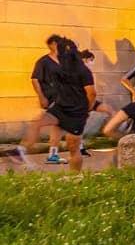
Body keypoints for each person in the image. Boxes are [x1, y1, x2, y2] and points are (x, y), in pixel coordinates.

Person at [14, 38, 95, 171]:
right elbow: (39, 79)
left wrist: (86, 110)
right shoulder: (61, 67)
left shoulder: (83, 71)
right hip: (60, 107)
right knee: (37, 122)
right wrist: (44, 96)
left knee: (73, 148)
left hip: (76, 112)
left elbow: (91, 94)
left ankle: (76, 177)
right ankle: (21, 152)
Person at [23, 35, 63, 163]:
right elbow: (35, 79)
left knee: (58, 125)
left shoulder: (63, 61)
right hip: (51, 97)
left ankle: (53, 155)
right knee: (40, 123)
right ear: (52, 44)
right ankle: (22, 150)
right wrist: (42, 97)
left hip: (62, 98)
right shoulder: (43, 61)